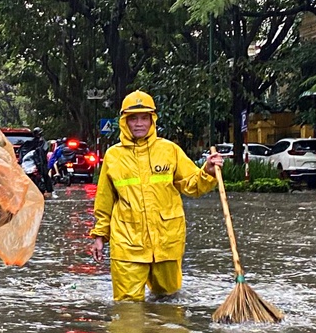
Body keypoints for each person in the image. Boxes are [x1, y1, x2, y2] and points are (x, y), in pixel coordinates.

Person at [89, 90, 224, 302]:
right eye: (133, 118)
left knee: (169, 302)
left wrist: (207, 171)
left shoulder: (170, 150)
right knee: (127, 307)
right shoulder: (113, 156)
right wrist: (100, 236)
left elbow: (192, 185)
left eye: (144, 118)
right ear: (124, 121)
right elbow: (104, 200)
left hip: (167, 240)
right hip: (127, 243)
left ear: (152, 120)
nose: (139, 124)